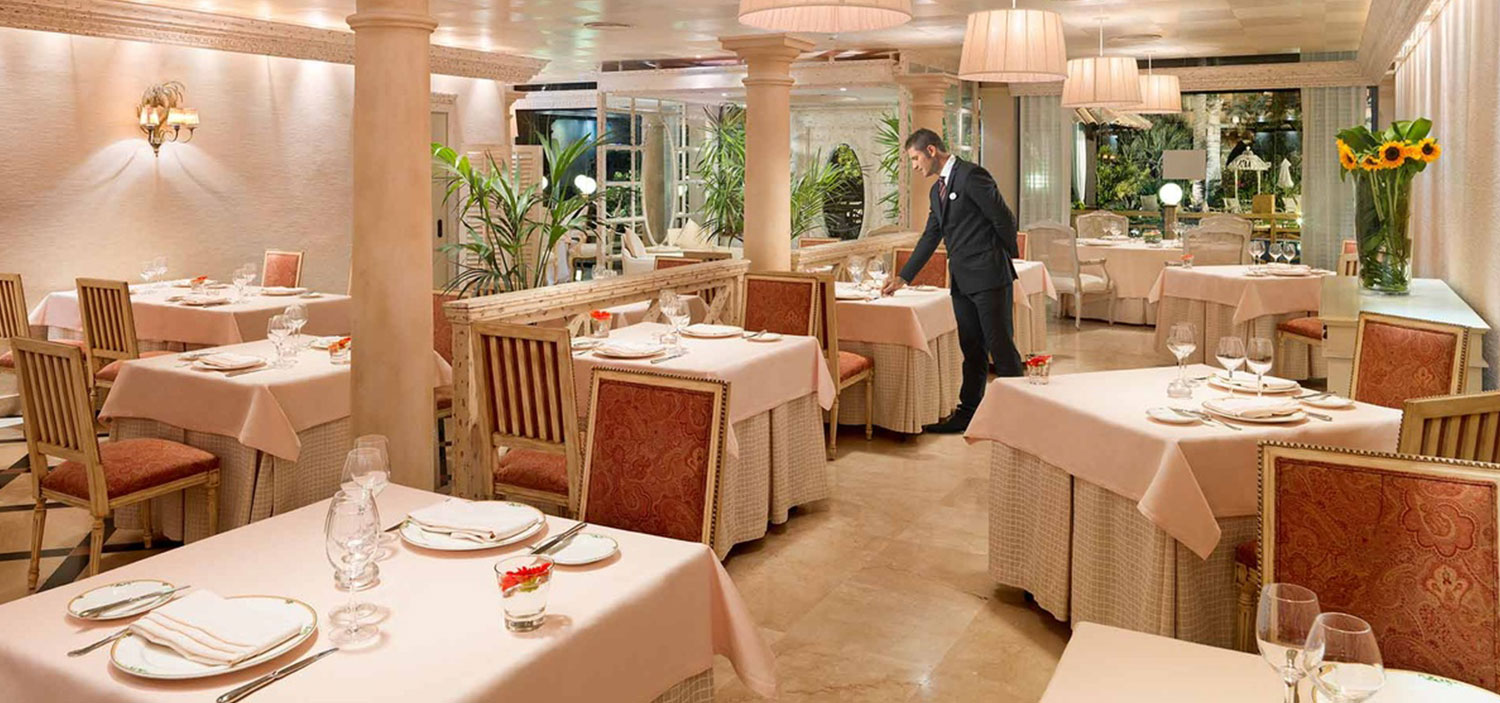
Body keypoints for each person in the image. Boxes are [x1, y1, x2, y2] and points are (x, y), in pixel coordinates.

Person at [882, 128, 1022, 433]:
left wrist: (1003, 257)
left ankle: (1020, 416)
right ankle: (968, 413)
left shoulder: (972, 176)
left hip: (989, 277)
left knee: (1001, 349)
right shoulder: (937, 191)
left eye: (915, 158)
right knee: (971, 349)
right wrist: (903, 277)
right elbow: (930, 237)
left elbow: (1004, 219)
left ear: (931, 150)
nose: (915, 166)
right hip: (961, 282)